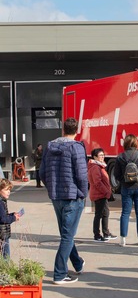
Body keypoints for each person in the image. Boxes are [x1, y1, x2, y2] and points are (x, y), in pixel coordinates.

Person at [39, 117, 87, 284]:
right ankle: (59, 274)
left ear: (63, 130)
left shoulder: (49, 147)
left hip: (56, 196)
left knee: (67, 233)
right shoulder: (76, 147)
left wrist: (51, 187)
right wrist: (83, 193)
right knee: (67, 235)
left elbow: (42, 173)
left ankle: (78, 264)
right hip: (72, 197)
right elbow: (81, 175)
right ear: (76, 131)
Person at [87, 148, 117, 242]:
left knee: (104, 213)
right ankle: (97, 234)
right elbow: (97, 182)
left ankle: (105, 233)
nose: (102, 157)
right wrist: (106, 192)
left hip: (101, 194)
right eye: (100, 155)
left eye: (103, 155)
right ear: (95, 157)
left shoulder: (99, 166)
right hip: (99, 194)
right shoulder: (96, 167)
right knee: (99, 214)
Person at [0, 179, 21, 258]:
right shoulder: (0, 202)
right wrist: (13, 218)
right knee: (6, 256)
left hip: (3, 234)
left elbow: (3, 215)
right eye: (6, 190)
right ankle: (5, 269)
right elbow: (3, 219)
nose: (8, 192)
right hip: (2, 235)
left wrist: (12, 214)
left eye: (9, 190)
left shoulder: (3, 201)